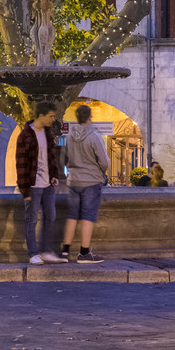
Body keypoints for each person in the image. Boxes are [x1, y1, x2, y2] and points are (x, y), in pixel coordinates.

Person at [15, 102, 66, 265]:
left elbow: (50, 157)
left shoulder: (47, 133)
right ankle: (33, 253)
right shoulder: (25, 136)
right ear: (41, 116)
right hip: (33, 184)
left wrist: (54, 174)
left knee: (50, 215)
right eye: (51, 116)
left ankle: (45, 251)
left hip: (47, 184)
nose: (53, 119)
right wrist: (25, 190)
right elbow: (20, 165)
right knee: (31, 219)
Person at [61, 103, 108, 263]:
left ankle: (65, 252)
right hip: (90, 180)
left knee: (72, 216)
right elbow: (104, 161)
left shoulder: (69, 137)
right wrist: (102, 172)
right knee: (87, 216)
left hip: (73, 180)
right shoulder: (94, 136)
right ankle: (84, 253)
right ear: (89, 117)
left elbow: (64, 158)